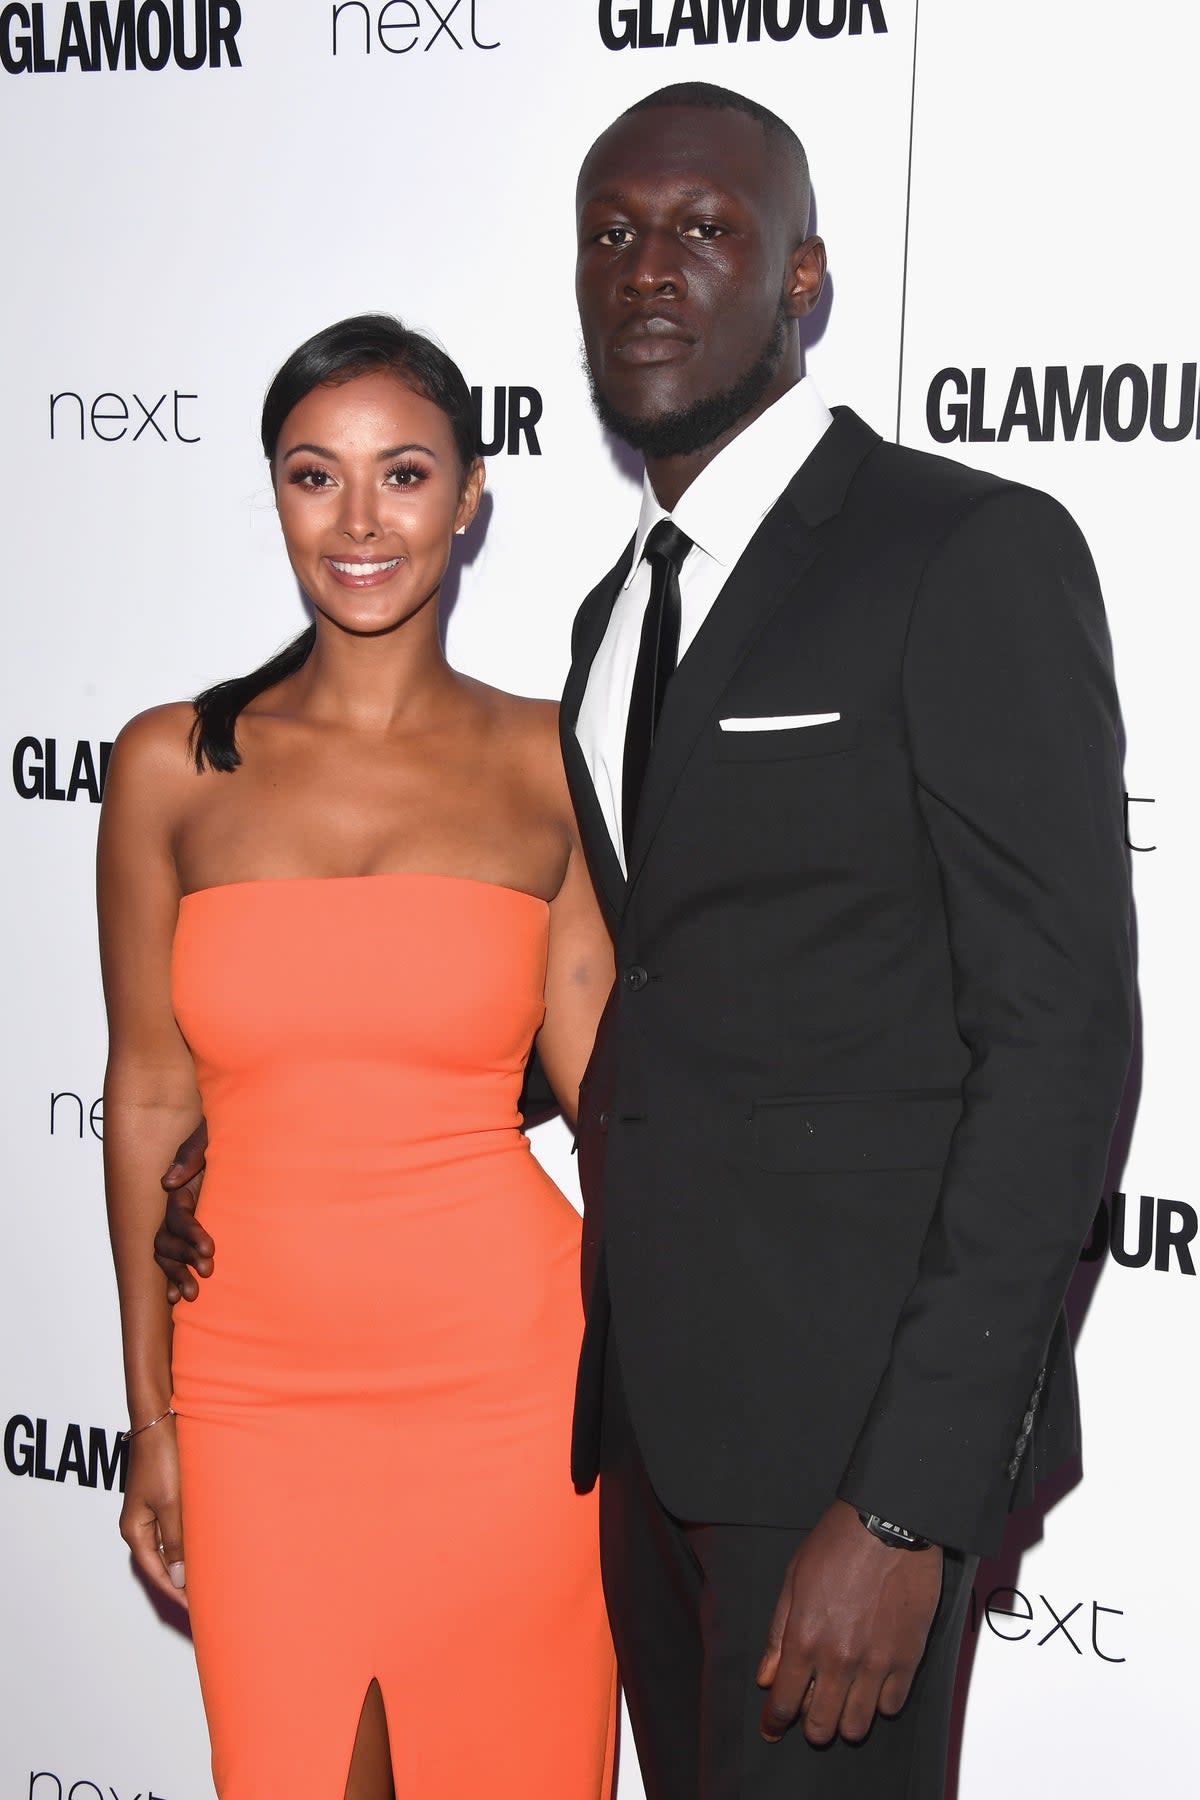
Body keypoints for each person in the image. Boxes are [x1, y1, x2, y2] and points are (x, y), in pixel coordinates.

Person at [157, 86, 1134, 1800]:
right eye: (613, 234)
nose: (650, 271)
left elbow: (1060, 1051)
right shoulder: (612, 626)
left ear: (805, 279)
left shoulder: (965, 552)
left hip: (847, 1480)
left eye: (706, 229)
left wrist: (907, 1499)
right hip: (631, 1455)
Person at [99, 314, 617, 1800]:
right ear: (274, 496)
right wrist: (155, 1416)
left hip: (512, 1395)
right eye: (314, 477)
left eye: (404, 474)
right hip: (257, 1395)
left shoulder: (553, 761)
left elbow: (619, 1101)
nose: (361, 519)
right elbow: (145, 1099)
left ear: (469, 497)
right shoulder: (169, 766)